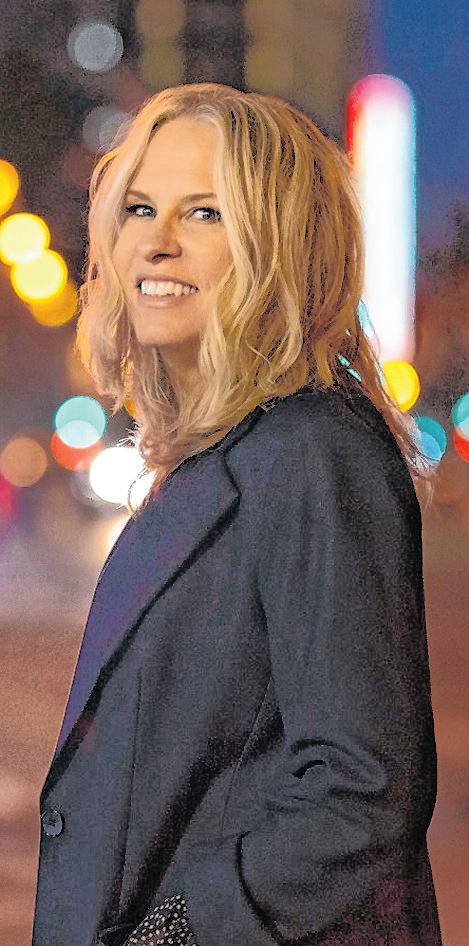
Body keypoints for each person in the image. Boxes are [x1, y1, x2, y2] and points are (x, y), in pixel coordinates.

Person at [32, 82, 442, 946]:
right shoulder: (222, 456)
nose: (157, 239)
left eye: (205, 213)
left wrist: (170, 933)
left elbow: (361, 789)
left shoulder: (312, 452)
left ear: (280, 243)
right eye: (140, 207)